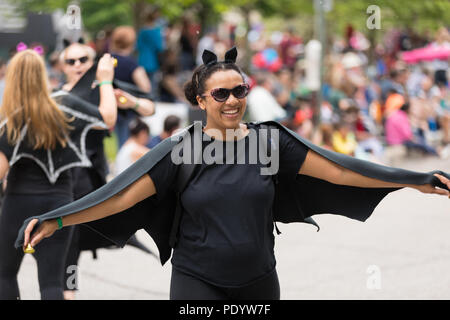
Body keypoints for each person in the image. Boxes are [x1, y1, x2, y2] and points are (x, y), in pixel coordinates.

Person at [18, 47, 450, 300]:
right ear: (201, 100)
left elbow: (340, 172)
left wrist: (413, 180)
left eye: (239, 90)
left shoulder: (270, 142)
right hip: (196, 284)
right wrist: (58, 219)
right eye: (220, 93)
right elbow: (121, 195)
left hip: (260, 281)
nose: (232, 100)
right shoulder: (181, 148)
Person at [0, 49, 115, 300]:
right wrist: (105, 79)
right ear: (43, 75)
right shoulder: (65, 105)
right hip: (59, 204)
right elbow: (107, 119)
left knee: (5, 275)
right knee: (52, 282)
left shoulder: (10, 120)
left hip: (18, 202)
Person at [109, 25, 155, 148]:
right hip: (127, 107)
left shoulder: (106, 60)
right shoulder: (131, 63)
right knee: (127, 143)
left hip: (110, 106)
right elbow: (146, 87)